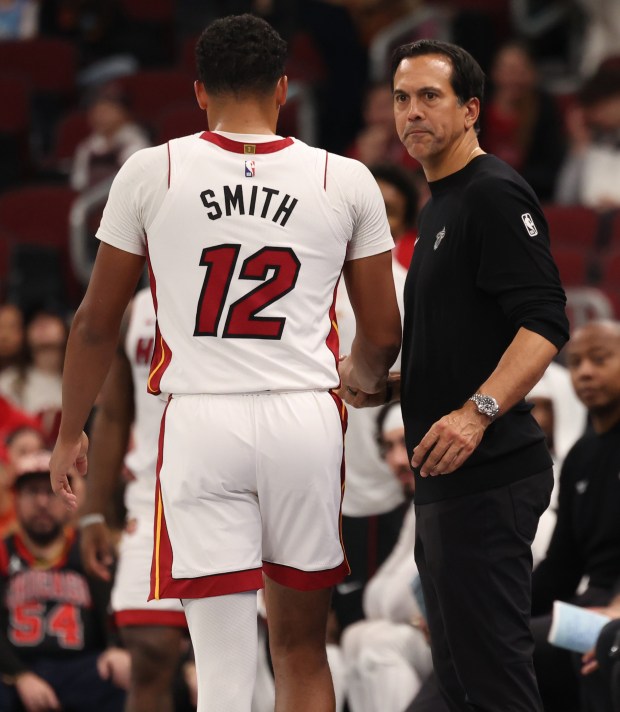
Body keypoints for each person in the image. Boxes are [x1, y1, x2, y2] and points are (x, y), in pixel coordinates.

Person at [49, 13, 401, 712]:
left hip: (202, 423)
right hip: (303, 414)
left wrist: (68, 432)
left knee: (222, 666)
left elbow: (94, 325)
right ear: (283, 89)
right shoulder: (346, 177)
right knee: (302, 650)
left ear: (200, 92)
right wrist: (361, 377)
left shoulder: (153, 170)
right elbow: (384, 332)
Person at [340, 39, 569, 711]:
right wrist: (395, 387)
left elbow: (545, 323)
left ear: (471, 110)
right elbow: (470, 342)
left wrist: (476, 413)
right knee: (461, 681)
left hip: (492, 471)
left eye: (430, 97)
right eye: (403, 98)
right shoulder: (439, 204)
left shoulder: (493, 192)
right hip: (446, 479)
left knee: (493, 681)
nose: (412, 112)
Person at [79, 287, 187, 712]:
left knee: (246, 660)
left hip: (231, 493)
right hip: (151, 496)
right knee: (149, 651)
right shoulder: (138, 308)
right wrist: (93, 514)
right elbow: (114, 413)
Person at [530, 319, 620, 712]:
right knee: (486, 634)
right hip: (589, 601)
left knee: (522, 646)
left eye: (600, 359)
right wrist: (500, 606)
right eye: (577, 361)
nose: (584, 371)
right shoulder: (580, 457)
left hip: (612, 605)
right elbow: (562, 566)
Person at [0, 451, 129, 712]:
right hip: (16, 671)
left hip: (83, 668)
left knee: (126, 678)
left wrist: (118, 648)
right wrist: (20, 675)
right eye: (32, 492)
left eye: (51, 492)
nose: (42, 502)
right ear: (16, 499)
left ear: (70, 497)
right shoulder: (2, 552)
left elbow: (114, 610)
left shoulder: (90, 548)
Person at [341, 400, 433, 712]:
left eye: (404, 444)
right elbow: (379, 601)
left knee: (378, 648)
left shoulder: (449, 502)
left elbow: (392, 602)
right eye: (387, 447)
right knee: (355, 637)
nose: (396, 460)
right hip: (435, 636)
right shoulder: (416, 511)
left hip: (488, 634)